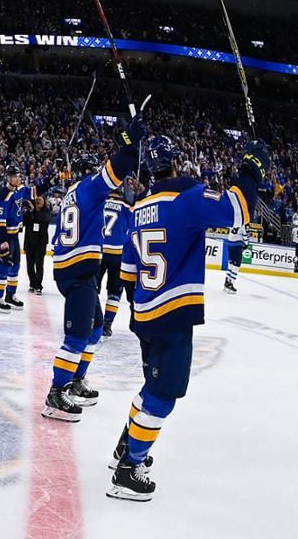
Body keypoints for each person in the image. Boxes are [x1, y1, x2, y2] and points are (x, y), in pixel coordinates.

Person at [107, 137, 265, 501]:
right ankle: (128, 468)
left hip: (145, 314)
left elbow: (128, 275)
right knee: (164, 395)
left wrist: (143, 308)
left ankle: (126, 443)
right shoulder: (188, 197)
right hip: (173, 315)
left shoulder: (139, 207)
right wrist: (251, 169)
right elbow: (239, 209)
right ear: (175, 163)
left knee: (152, 385)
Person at [43, 115, 146, 422]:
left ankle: (74, 380)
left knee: (95, 328)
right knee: (76, 337)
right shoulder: (90, 188)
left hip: (74, 267)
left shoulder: (72, 194)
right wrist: (130, 143)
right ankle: (55, 393)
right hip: (78, 270)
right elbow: (117, 168)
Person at [0, 167, 32, 312]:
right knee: (4, 267)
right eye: (15, 176)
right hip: (5, 236)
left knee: (15, 267)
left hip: (14, 235)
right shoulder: (3, 195)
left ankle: (10, 295)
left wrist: (51, 178)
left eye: (19, 176)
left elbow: (34, 191)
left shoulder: (20, 189)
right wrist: (2, 240)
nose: (18, 178)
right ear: (8, 178)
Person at [97, 187, 131, 336]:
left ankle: (92, 319)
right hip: (118, 255)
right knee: (114, 292)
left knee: (91, 288)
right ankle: (107, 323)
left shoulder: (99, 203)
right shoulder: (126, 207)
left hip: (98, 252)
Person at [23, 195, 52, 294]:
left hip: (40, 243)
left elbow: (43, 218)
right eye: (36, 200)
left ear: (44, 201)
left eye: (40, 200)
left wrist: (34, 210)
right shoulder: (30, 212)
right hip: (29, 242)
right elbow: (24, 222)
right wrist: (29, 211)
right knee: (30, 265)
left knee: (39, 265)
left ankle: (38, 285)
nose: (38, 201)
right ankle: (32, 284)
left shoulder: (46, 212)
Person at [223, 223, 249, 294]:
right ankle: (230, 284)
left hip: (230, 243)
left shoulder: (234, 219)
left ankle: (227, 282)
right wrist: (246, 245)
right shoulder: (245, 222)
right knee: (236, 265)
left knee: (231, 264)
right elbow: (245, 235)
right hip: (237, 245)